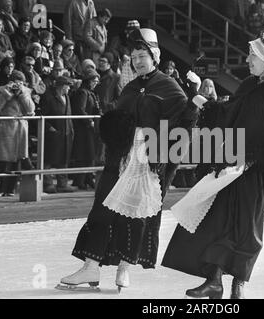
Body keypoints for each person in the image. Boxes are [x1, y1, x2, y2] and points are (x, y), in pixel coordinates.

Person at [162, 30, 264, 299]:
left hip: (263, 170)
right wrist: (199, 96)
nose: (248, 59)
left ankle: (238, 285)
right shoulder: (249, 84)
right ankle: (214, 281)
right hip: (233, 165)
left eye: (254, 55)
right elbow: (225, 114)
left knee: (247, 229)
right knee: (218, 221)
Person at [57, 28, 196, 291]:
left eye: (142, 55)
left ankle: (124, 268)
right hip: (120, 161)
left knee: (135, 217)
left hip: (148, 164)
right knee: (102, 210)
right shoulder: (130, 87)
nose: (137, 61)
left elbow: (181, 128)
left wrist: (193, 102)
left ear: (154, 56)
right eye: (133, 57)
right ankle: (90, 267)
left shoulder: (170, 87)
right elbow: (121, 121)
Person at [0, 70, 35, 197]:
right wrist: (6, 94)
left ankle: (11, 189)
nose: (18, 84)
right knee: (5, 160)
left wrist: (22, 94)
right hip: (8, 126)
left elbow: (31, 109)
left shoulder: (26, 91)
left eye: (20, 82)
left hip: (21, 127)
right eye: (16, 82)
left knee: (18, 159)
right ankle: (1, 189)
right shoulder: (3, 90)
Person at [39, 76, 76, 194]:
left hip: (66, 132)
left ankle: (62, 184)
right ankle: (47, 183)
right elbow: (41, 115)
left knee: (64, 159)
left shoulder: (67, 97)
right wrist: (50, 128)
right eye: (68, 86)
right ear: (62, 86)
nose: (69, 88)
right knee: (48, 159)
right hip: (53, 133)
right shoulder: (48, 97)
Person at [70, 69, 102, 190]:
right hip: (84, 128)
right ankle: (80, 180)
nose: (96, 83)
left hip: (90, 129)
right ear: (88, 81)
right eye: (94, 80)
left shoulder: (91, 93)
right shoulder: (83, 93)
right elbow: (80, 109)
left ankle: (88, 178)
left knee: (90, 154)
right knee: (84, 154)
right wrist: (90, 121)